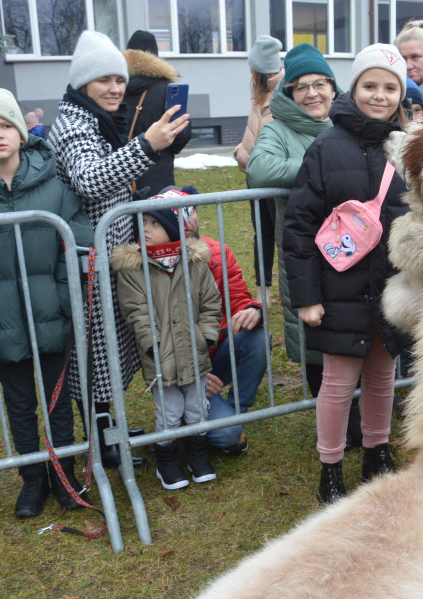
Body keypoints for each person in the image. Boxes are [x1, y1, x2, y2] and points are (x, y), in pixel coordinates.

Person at [0, 88, 95, 518]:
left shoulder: (56, 190)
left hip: (53, 318)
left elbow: (77, 247)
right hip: (2, 323)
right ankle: (32, 482)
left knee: (58, 401)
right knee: (19, 403)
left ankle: (63, 478)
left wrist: (67, 304)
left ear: (21, 132)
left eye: (5, 125)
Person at [48, 30, 190, 469]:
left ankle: (109, 428)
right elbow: (90, 179)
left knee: (110, 348)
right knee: (91, 355)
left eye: (118, 79)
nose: (114, 88)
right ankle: (100, 440)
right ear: (83, 83)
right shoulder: (73, 123)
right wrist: (148, 145)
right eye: (103, 81)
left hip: (110, 259)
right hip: (86, 263)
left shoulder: (99, 119)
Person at [283, 43, 411, 504]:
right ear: (353, 88)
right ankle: (331, 466)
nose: (380, 96)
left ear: (401, 92)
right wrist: (306, 296)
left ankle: (377, 451)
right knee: (338, 382)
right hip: (339, 286)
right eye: (370, 85)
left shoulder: (405, 147)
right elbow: (298, 225)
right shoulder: (326, 146)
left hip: (391, 285)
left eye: (390, 87)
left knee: (382, 375)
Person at [112, 188, 223, 488]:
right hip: (160, 357)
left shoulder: (195, 262)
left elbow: (211, 302)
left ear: (173, 228)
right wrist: (153, 344)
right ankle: (167, 461)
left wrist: (206, 336)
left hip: (194, 351)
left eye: (154, 223)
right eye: (143, 222)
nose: (145, 228)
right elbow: (135, 311)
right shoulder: (133, 269)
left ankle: (197, 456)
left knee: (198, 407)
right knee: (170, 412)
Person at [247, 43, 336, 401]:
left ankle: (360, 412)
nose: (312, 93)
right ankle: (328, 413)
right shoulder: (278, 129)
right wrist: (322, 169)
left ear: (333, 87)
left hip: (353, 246)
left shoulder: (345, 121)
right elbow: (258, 169)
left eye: (320, 84)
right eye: (301, 86)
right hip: (306, 248)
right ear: (289, 92)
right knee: (314, 330)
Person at [176, 185, 267, 457]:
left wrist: (255, 310)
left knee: (259, 336)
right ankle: (191, 413)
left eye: (190, 211)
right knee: (226, 436)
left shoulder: (217, 251)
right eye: (178, 214)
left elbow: (239, 297)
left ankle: (236, 413)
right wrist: (195, 375)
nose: (188, 220)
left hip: (215, 352)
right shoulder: (152, 266)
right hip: (177, 370)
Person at [233, 35, 285, 297]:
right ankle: (262, 290)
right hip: (254, 178)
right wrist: (239, 152)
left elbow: (270, 143)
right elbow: (251, 133)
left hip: (272, 180)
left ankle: (289, 289)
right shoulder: (260, 92)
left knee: (280, 236)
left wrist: (246, 157)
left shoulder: (282, 94)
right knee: (262, 235)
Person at [122, 30, 192, 194]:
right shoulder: (166, 89)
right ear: (155, 57)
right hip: (158, 180)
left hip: (121, 178)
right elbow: (180, 138)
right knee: (155, 219)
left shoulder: (114, 88)